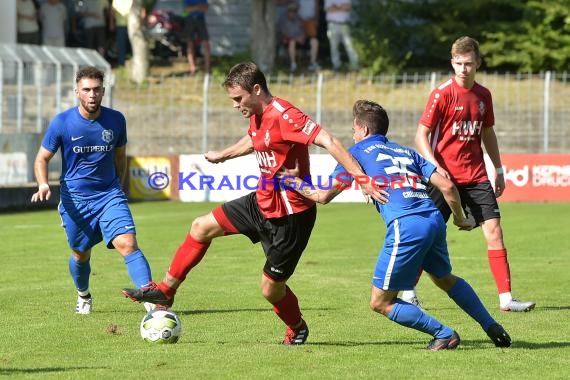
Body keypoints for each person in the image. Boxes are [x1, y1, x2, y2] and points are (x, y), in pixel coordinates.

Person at [121, 62, 385, 345]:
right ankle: (166, 290)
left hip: (291, 216)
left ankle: (297, 327)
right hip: (261, 201)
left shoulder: (286, 114)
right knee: (200, 227)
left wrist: (362, 178)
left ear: (256, 89)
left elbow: (329, 140)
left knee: (271, 289)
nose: (235, 105)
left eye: (238, 98)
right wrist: (224, 155)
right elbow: (253, 139)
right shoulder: (256, 114)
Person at [278, 99, 512, 350]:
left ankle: (443, 333)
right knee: (444, 279)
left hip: (406, 226)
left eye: (354, 129)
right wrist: (459, 217)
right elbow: (447, 186)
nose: (353, 134)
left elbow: (322, 196)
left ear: (364, 131)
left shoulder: (355, 154)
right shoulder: (406, 151)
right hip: (433, 219)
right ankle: (491, 325)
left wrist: (292, 182)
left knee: (380, 302)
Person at [412, 36, 536, 312]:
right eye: (458, 63)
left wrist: (499, 169)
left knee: (494, 230)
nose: (463, 69)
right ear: (452, 63)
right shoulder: (441, 94)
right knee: (427, 233)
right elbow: (421, 135)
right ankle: (409, 290)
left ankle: (506, 299)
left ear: (478, 62)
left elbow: (487, 133)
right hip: (444, 178)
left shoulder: (484, 95)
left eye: (468, 63)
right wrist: (434, 166)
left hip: (476, 175)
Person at [31, 66, 154, 315]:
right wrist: (43, 183)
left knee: (128, 244)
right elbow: (41, 159)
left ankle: (153, 300)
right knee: (80, 254)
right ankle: (83, 295)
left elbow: (121, 157)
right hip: (75, 200)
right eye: (86, 90)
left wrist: (117, 187)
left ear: (103, 91)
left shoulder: (116, 120)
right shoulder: (62, 122)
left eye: (96, 90)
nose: (92, 95)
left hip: (109, 195)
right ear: (77, 92)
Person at [324, 0, 359, 72]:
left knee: (350, 46)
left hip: (345, 24)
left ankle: (355, 66)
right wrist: (342, 7)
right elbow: (329, 9)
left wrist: (336, 7)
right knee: (334, 47)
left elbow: (348, 7)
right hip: (333, 24)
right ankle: (336, 66)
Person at [182, 0, 211, 75]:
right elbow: (186, 9)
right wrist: (198, 7)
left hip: (200, 19)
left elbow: (206, 8)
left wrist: (194, 8)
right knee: (190, 45)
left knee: (206, 43)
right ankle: (192, 68)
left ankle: (207, 69)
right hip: (190, 19)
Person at [278, 2, 306, 72]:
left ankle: (312, 63)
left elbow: (302, 30)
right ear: (288, 10)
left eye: (294, 11)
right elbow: (284, 33)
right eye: (291, 10)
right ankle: (293, 64)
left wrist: (302, 37)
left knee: (313, 41)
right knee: (292, 42)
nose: (292, 12)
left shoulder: (298, 18)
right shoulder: (283, 19)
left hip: (298, 40)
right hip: (287, 41)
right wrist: (297, 39)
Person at [297, 0, 320, 71]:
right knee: (299, 41)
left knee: (313, 41)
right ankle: (297, 62)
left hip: (311, 21)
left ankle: (312, 62)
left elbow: (316, 7)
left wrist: (316, 19)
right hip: (300, 21)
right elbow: (296, 7)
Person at [109, 0, 130, 66]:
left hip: (131, 25)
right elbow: (112, 12)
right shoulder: (116, 0)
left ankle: (129, 61)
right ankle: (121, 63)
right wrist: (111, 23)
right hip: (120, 25)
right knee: (121, 45)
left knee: (130, 45)